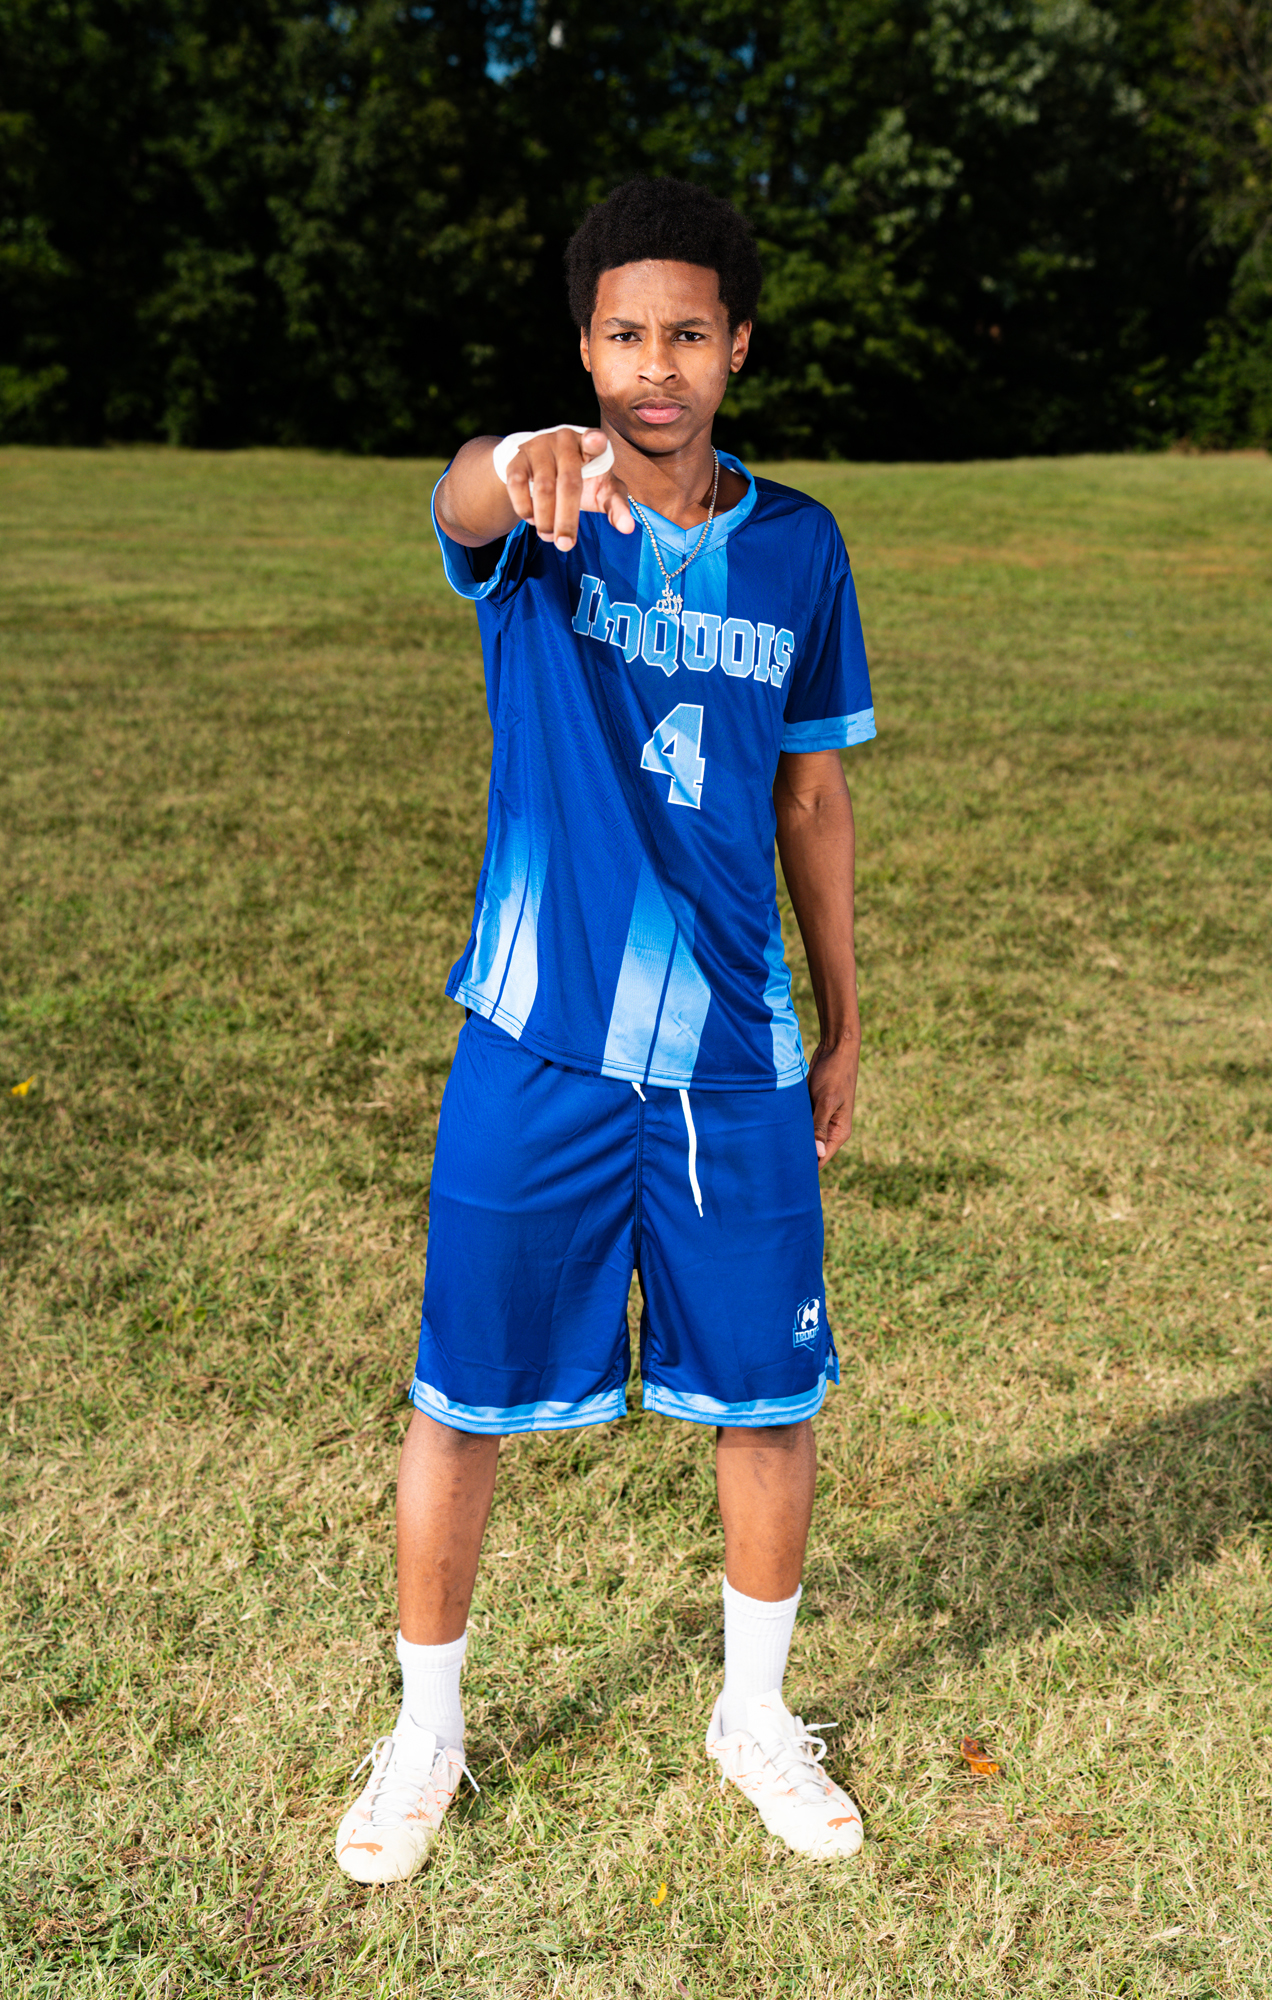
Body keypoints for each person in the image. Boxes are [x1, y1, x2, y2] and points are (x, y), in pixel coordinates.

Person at [334, 176, 876, 1884]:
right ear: (585, 348)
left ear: (737, 349)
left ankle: (751, 1715)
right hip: (537, 1043)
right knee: (461, 1401)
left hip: (733, 1058)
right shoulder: (540, 508)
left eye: (687, 335)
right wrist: (511, 459)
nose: (655, 367)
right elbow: (459, 496)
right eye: (625, 335)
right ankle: (426, 1734)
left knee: (768, 1400)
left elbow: (811, 799)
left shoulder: (797, 547)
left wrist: (844, 1019)